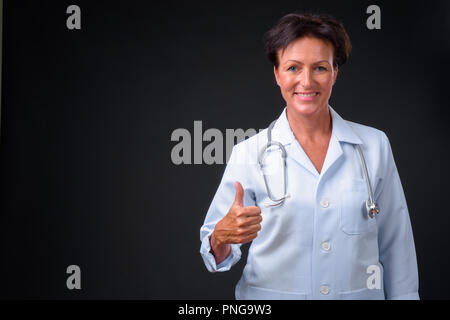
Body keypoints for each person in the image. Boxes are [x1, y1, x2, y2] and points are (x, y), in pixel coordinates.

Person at [199, 12, 419, 300]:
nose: (306, 81)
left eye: (320, 68)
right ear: (277, 74)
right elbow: (216, 254)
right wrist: (220, 237)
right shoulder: (249, 153)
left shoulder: (374, 145)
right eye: (292, 68)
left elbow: (396, 245)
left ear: (335, 73)